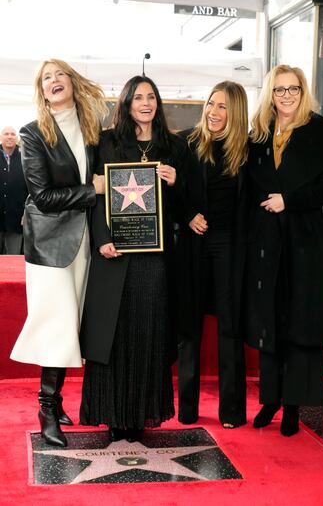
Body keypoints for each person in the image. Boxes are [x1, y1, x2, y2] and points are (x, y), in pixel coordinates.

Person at [79, 75, 187, 443]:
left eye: (151, 96)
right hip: (114, 254)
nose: (145, 102)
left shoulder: (173, 146)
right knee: (114, 333)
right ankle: (112, 413)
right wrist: (102, 240)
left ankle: (140, 413)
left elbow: (183, 207)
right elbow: (94, 195)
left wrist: (177, 182)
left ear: (159, 103)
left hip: (154, 261)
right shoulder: (107, 142)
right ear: (126, 104)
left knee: (148, 331)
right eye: (138, 97)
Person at [10, 59, 107, 447]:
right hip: (49, 244)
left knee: (73, 322)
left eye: (59, 74)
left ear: (72, 81)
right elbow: (43, 196)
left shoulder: (92, 129)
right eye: (46, 77)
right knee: (57, 322)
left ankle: (58, 401)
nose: (53, 81)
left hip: (84, 240)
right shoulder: (32, 133)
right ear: (41, 88)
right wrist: (92, 192)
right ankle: (46, 409)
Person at [246, 64, 323, 436]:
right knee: (270, 321)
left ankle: (291, 406)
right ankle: (270, 398)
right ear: (270, 94)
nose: (286, 95)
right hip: (267, 242)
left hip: (304, 242)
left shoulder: (322, 133)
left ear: (303, 92)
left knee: (298, 324)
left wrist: (290, 199)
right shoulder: (259, 134)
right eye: (279, 89)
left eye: (293, 89)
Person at [176, 81, 248, 428]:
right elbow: (172, 192)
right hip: (194, 242)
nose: (213, 112)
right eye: (210, 104)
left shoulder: (247, 150)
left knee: (229, 328)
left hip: (230, 244)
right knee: (189, 326)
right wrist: (188, 213)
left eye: (222, 107)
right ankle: (187, 410)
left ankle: (232, 412)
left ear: (235, 113)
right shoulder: (187, 142)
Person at [0, 126, 28, 254]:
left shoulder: (26, 159)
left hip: (17, 220)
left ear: (16, 138)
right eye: (6, 134)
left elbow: (30, 189)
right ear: (1, 138)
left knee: (13, 260)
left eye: (12, 134)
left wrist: (26, 213)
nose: (10, 136)